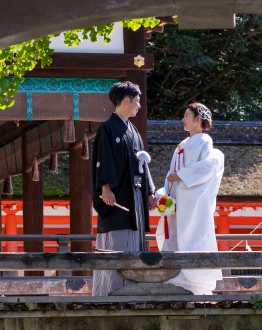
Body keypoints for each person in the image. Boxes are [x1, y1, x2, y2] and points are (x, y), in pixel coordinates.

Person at [90, 81, 157, 296]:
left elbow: (142, 163)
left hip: (134, 197)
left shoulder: (133, 130)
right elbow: (103, 160)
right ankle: (109, 294)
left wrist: (149, 192)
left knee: (135, 245)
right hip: (117, 198)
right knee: (116, 245)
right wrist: (105, 187)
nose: (139, 106)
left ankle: (133, 293)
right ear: (126, 100)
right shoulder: (107, 128)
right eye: (137, 101)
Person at [156, 102, 225, 295]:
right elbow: (171, 175)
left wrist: (183, 175)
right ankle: (173, 280)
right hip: (178, 201)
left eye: (187, 115)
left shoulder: (204, 141)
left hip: (193, 204)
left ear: (198, 119)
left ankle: (195, 286)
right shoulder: (183, 145)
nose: (183, 119)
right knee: (175, 240)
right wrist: (164, 195)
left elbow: (208, 166)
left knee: (193, 238)